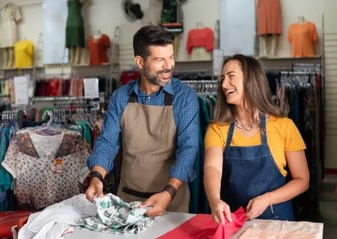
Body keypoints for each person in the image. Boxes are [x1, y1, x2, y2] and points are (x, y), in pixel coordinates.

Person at [85, 25, 200, 217]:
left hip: (171, 201)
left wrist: (168, 193)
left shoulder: (185, 97)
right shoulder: (121, 97)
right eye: (160, 60)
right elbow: (107, 142)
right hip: (127, 200)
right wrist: (97, 177)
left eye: (171, 57)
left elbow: (188, 149)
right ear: (140, 61)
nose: (169, 66)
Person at [203, 54, 310, 224]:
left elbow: (302, 180)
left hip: (277, 222)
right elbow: (212, 168)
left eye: (231, 77)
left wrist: (267, 199)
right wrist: (215, 200)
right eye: (222, 79)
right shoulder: (217, 129)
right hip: (233, 222)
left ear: (250, 80)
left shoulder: (284, 126)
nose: (224, 84)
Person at [0, 2, 21, 68]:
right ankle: (5, 62)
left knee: (11, 45)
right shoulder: (2, 8)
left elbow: (18, 18)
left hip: (10, 26)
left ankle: (11, 62)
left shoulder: (14, 7)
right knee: (4, 46)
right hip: (3, 27)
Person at [66, 0, 86, 65]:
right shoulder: (68, 1)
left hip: (77, 21)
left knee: (78, 41)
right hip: (69, 22)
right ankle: (72, 59)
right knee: (71, 42)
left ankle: (77, 60)